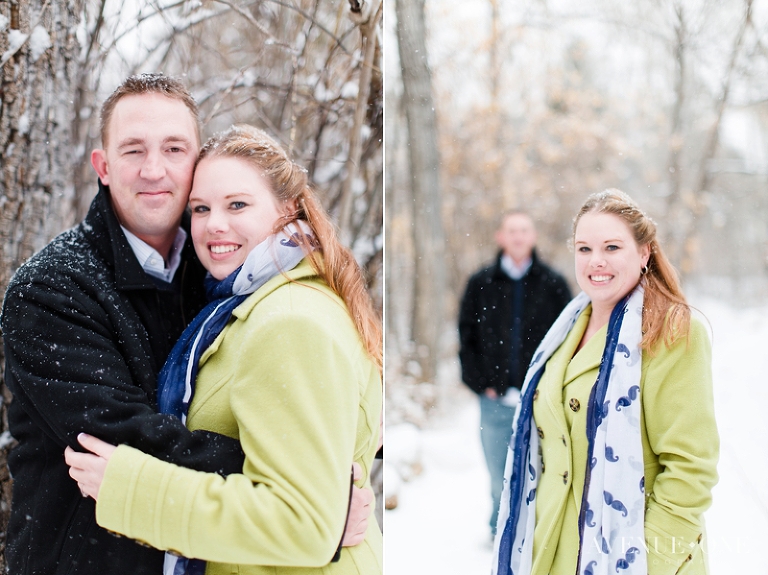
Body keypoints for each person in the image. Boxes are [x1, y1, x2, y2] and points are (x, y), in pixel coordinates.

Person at [1, 74, 371, 575]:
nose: (154, 169)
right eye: (133, 150)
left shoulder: (224, 273)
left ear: (195, 162)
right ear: (103, 167)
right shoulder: (51, 288)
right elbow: (125, 440)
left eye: (174, 148)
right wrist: (310, 492)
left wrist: (314, 494)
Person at [492, 189, 719, 575]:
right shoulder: (565, 329)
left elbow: (690, 470)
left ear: (644, 252)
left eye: (612, 247)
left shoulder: (672, 331)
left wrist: (650, 560)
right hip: (550, 549)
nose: (596, 261)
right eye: (584, 249)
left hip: (630, 558)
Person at [458, 210, 571, 535]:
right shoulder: (481, 284)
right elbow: (466, 337)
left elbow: (568, 339)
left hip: (540, 399)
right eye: (512, 230)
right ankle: (501, 528)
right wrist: (481, 383)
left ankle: (534, 531)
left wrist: (551, 384)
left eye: (524, 230)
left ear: (533, 237)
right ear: (501, 237)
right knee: (499, 473)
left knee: (540, 469)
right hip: (494, 401)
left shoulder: (553, 284)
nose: (519, 236)